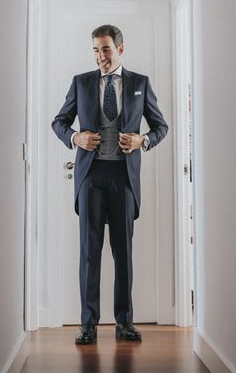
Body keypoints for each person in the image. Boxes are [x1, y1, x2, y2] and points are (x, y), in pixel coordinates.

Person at [51, 24, 168, 345]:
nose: (100, 56)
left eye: (105, 49)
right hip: (91, 176)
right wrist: (76, 136)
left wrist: (143, 139)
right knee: (90, 251)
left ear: (120, 49)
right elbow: (58, 122)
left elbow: (161, 126)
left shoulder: (140, 83)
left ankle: (124, 322)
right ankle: (88, 323)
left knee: (123, 251)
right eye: (95, 49)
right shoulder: (81, 83)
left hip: (124, 177)